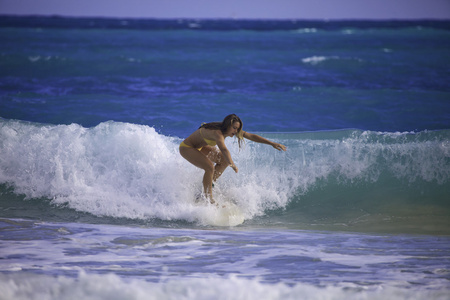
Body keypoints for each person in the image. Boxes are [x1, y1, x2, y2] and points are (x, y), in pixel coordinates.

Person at [179, 114, 286, 203]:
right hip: (187, 148)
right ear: (227, 125)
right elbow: (224, 149)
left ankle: (206, 188)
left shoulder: (228, 130)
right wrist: (232, 163)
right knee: (209, 167)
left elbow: (251, 136)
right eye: (234, 128)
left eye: (238, 129)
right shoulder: (217, 133)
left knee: (223, 161)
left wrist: (271, 143)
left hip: (200, 147)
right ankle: (208, 198)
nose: (236, 131)